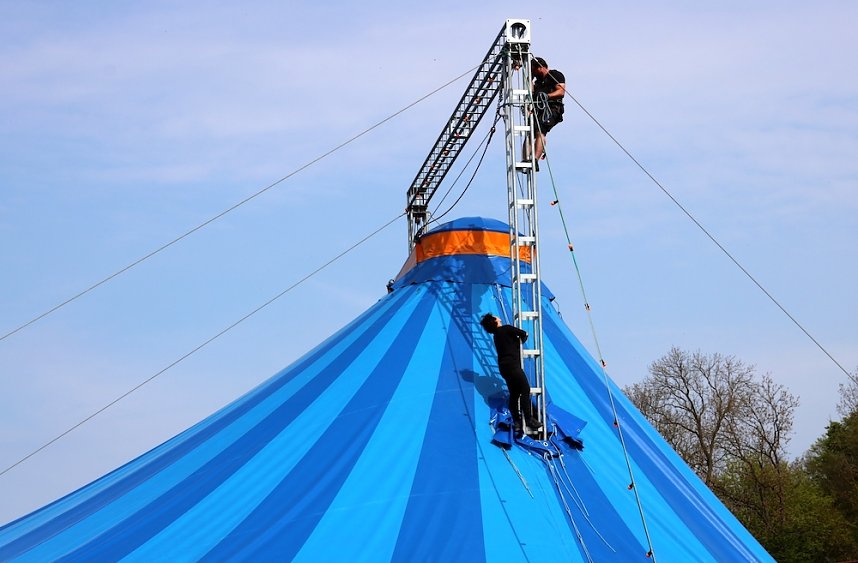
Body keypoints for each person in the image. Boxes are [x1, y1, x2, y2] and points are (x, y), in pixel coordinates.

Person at [480, 313, 542, 437]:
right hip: (513, 365)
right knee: (525, 390)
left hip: (504, 367)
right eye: (495, 317)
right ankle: (529, 419)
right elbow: (524, 334)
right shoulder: (506, 328)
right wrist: (522, 339)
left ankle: (517, 423)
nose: (498, 317)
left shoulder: (496, 336)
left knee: (514, 394)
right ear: (495, 320)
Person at [529, 57, 566, 167]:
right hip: (539, 110)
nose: (533, 73)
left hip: (552, 109)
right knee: (530, 132)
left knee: (540, 130)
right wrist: (530, 79)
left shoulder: (554, 75)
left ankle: (535, 159)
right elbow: (531, 94)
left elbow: (561, 91)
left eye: (533, 70)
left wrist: (547, 96)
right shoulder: (537, 82)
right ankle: (527, 159)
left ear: (539, 68)